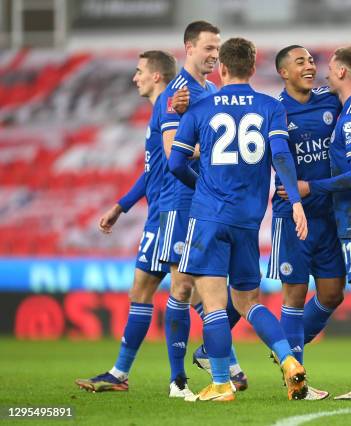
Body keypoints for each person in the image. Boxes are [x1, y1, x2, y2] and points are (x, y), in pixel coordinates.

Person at [169, 37, 309, 402]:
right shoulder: (269, 107)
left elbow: (175, 163)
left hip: (209, 216)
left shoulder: (201, 108)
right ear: (252, 66)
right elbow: (281, 155)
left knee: (214, 304)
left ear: (222, 68)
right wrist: (295, 200)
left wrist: (202, 186)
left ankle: (220, 384)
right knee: (248, 302)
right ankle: (289, 360)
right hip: (248, 220)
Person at [266, 45, 351, 400]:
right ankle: (296, 378)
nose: (309, 66)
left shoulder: (329, 101)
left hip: (331, 214)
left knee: (333, 294)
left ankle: (283, 348)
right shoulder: (275, 110)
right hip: (293, 214)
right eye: (300, 61)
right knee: (294, 294)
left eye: (310, 60)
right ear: (284, 72)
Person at [74, 50, 176, 393]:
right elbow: (153, 172)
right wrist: (121, 206)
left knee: (193, 294)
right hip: (159, 214)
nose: (135, 77)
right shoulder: (158, 111)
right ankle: (119, 374)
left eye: (139, 71)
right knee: (145, 292)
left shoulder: (166, 108)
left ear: (156, 76)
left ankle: (225, 368)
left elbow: (174, 165)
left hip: (169, 216)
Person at [156, 20, 246, 398]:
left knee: (222, 292)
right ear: (188, 47)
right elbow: (171, 151)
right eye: (209, 47)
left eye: (218, 48)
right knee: (181, 285)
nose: (215, 54)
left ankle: (217, 354)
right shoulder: (177, 93)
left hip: (209, 205)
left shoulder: (209, 91)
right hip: (181, 201)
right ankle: (179, 381)